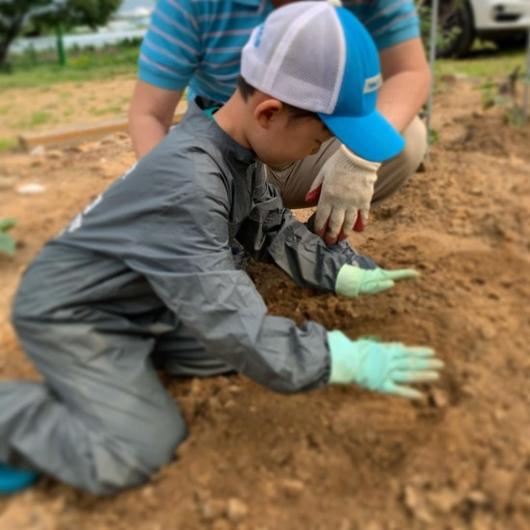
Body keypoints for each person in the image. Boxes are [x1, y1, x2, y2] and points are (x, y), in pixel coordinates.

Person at [0, 2, 442, 496]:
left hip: (139, 298)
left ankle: (126, 365)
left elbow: (272, 226)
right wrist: (337, 358)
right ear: (270, 113)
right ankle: (15, 418)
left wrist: (342, 271)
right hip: (74, 313)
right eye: (319, 141)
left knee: (221, 352)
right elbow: (235, 322)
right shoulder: (191, 183)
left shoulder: (234, 146)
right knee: (140, 447)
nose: (317, 154)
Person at [129, 0, 431, 244]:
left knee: (404, 143)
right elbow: (150, 114)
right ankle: (230, 231)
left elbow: (410, 72)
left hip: (298, 142)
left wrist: (358, 159)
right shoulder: (193, 5)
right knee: (186, 201)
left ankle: (315, 242)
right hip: (229, 153)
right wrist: (171, 195)